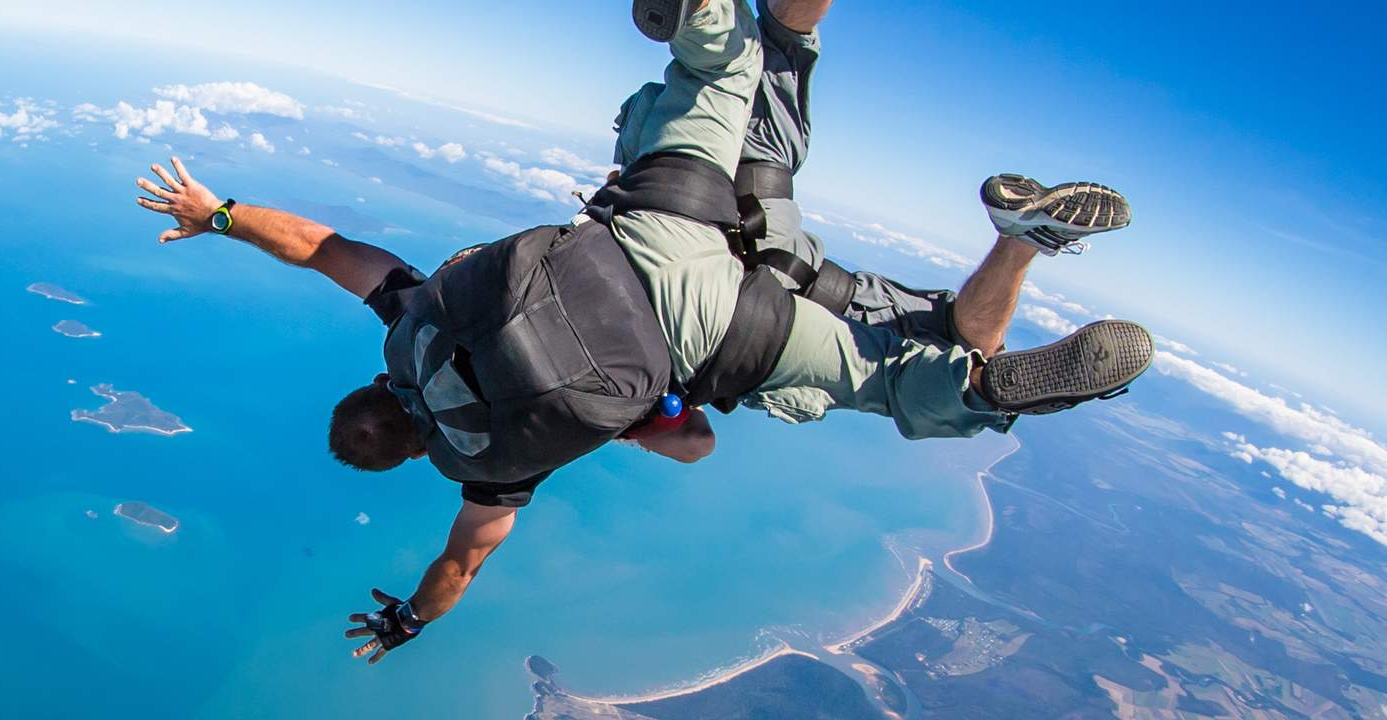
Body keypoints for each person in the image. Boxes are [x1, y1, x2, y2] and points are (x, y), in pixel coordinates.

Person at [131, 0, 1153, 665]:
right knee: (732, 73)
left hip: (728, 334)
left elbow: (466, 566)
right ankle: (709, 27)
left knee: (912, 379)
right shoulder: (409, 323)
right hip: (656, 225)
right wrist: (217, 213)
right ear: (370, 391)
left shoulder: (487, 473)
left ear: (409, 455)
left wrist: (405, 620)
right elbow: (320, 245)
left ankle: (1004, 303)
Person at [622, 0, 1140, 461]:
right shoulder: (586, 257)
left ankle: (982, 380)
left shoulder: (612, 389)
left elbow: (696, 444)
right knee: (766, 51)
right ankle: (705, 13)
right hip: (720, 196)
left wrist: (641, 421)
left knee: (900, 373)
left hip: (760, 319)